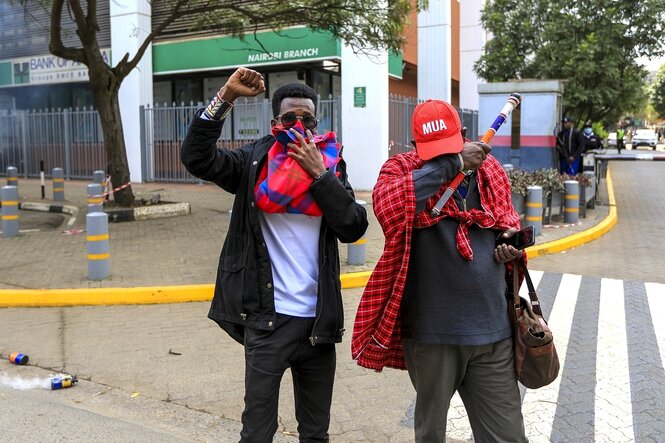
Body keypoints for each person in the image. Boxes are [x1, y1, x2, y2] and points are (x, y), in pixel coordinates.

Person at [181, 66, 368, 442]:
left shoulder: (330, 162)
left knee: (316, 433)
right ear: (274, 122)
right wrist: (226, 98)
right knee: (257, 432)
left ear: (317, 123)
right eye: (289, 117)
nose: (299, 124)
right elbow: (197, 158)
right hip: (268, 322)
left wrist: (321, 175)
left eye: (307, 118)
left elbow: (353, 226)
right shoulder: (254, 161)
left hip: (318, 325)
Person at [352, 99, 528, 442]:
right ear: (416, 145)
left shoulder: (490, 171)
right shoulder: (400, 171)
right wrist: (454, 163)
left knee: (508, 435)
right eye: (432, 151)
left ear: (463, 134)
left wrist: (510, 247)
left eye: (450, 147)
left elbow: (508, 222)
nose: (440, 157)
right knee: (431, 433)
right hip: (432, 336)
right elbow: (389, 207)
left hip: (493, 331)